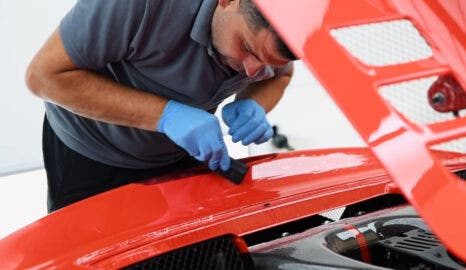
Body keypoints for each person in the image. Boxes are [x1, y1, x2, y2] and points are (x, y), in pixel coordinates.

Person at [26, 0, 297, 212]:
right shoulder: (140, 5)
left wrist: (254, 103)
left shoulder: (276, 29)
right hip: (91, 154)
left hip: (176, 156)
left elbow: (281, 75)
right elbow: (43, 78)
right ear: (227, 1)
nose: (251, 72)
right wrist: (166, 116)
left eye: (265, 63)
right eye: (247, 48)